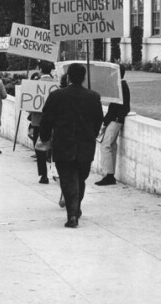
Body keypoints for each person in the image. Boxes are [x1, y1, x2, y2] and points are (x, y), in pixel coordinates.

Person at [40, 63, 104, 228]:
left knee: (69, 180)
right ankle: (75, 209)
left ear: (68, 77)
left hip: (63, 145)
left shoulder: (56, 96)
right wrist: (92, 135)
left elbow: (46, 120)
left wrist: (44, 138)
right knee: (80, 179)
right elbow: (98, 121)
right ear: (83, 78)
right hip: (85, 146)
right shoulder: (94, 97)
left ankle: (72, 214)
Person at [96, 65, 131, 186]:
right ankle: (110, 174)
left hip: (115, 119)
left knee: (106, 145)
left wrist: (106, 121)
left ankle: (109, 175)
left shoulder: (119, 87)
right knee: (111, 145)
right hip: (117, 119)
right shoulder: (122, 86)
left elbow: (115, 107)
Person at [28, 62, 57, 184]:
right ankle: (55, 173)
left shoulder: (34, 84)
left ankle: (43, 175)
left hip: (38, 122)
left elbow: (29, 104)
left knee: (39, 149)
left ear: (40, 69)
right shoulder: (56, 85)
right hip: (54, 122)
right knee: (54, 149)